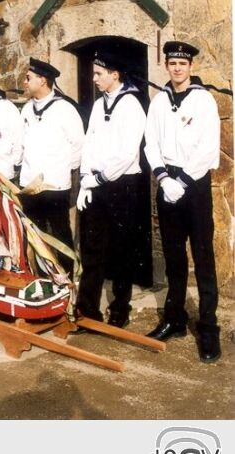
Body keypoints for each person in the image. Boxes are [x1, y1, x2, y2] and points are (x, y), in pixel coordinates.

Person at [144, 41, 221, 363]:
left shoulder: (203, 101)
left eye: (183, 63)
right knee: (174, 256)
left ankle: (207, 328)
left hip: (194, 184)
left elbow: (208, 148)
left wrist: (183, 181)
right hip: (167, 184)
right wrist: (163, 178)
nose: (177, 68)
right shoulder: (160, 101)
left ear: (190, 67)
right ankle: (174, 319)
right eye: (173, 63)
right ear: (166, 65)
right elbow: (151, 143)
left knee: (202, 258)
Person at [75, 46, 148, 328]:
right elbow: (89, 142)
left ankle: (120, 309)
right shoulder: (98, 104)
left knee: (122, 249)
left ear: (114, 75)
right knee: (93, 248)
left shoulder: (131, 105)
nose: (94, 78)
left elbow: (128, 153)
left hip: (122, 185)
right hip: (95, 183)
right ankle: (87, 308)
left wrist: (100, 178)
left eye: (99, 73)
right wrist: (85, 179)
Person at [19, 57, 84, 276]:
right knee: (34, 234)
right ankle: (41, 277)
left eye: (29, 78)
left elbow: (78, 146)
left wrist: (61, 170)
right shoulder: (27, 110)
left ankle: (66, 278)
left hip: (55, 185)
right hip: (29, 184)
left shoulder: (65, 109)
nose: (25, 82)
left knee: (59, 234)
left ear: (43, 80)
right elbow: (22, 143)